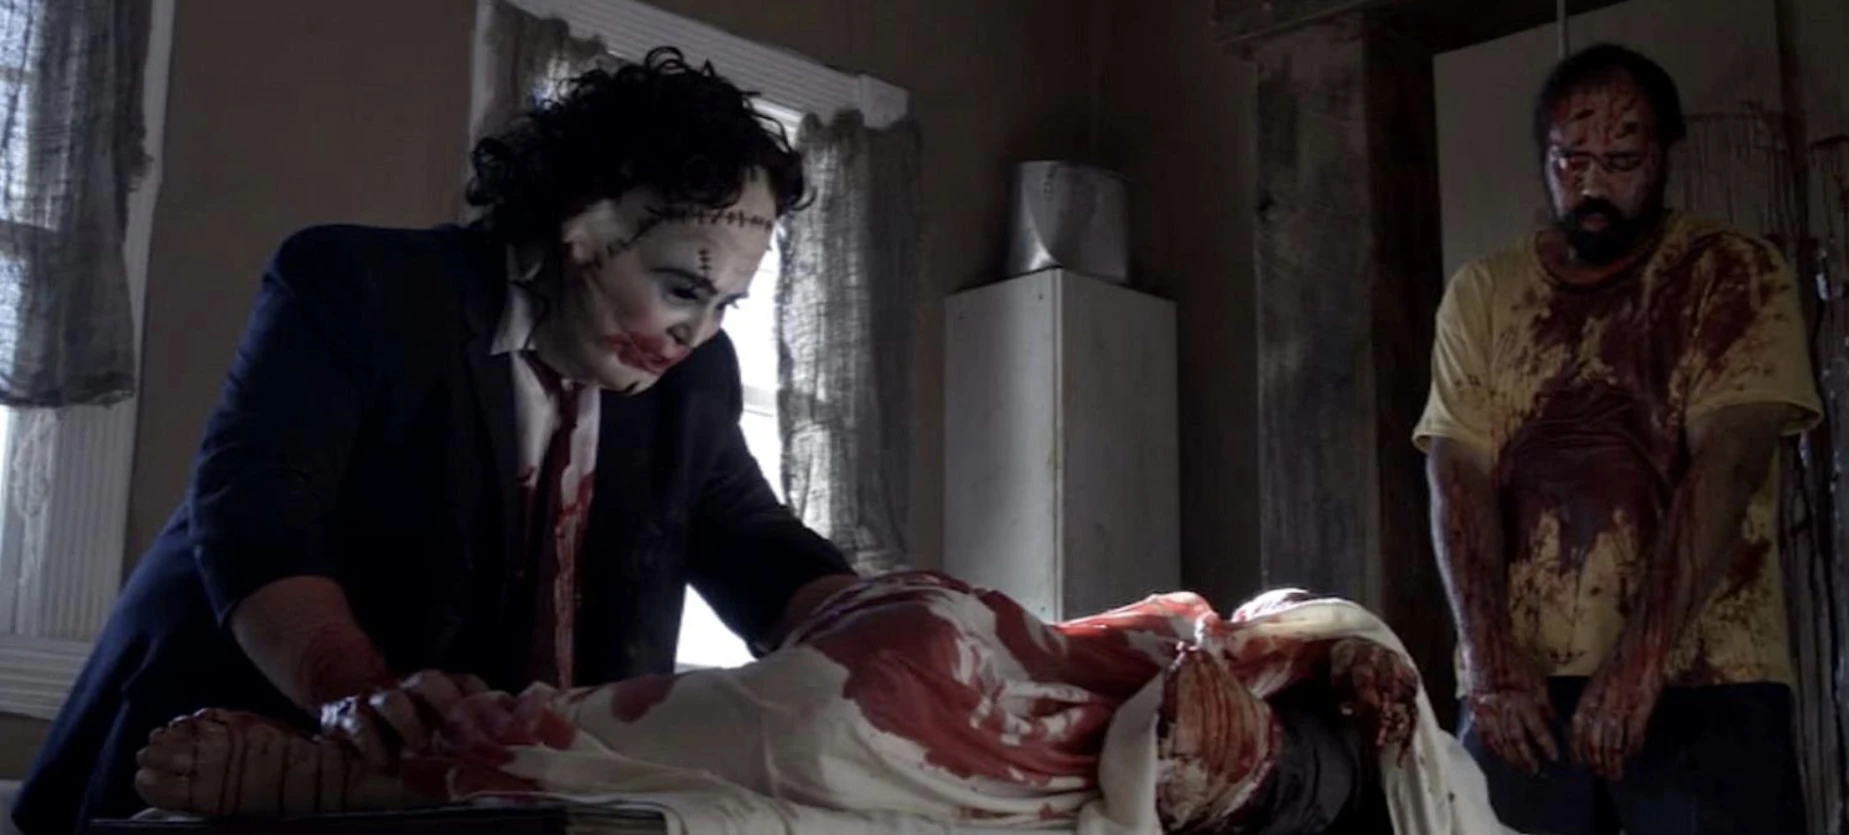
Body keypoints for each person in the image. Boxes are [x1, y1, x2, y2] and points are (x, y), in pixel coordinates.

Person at [14, 49, 862, 835]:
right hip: (217, 747)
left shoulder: (692, 377)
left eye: (724, 305)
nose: (695, 332)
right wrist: (354, 690)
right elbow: (260, 514)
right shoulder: (363, 287)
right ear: (579, 225)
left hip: (461, 797)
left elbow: (747, 538)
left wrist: (891, 626)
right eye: (680, 287)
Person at [128, 571, 1421, 834]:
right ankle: (389, 757)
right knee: (817, 715)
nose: (700, 326)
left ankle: (414, 769)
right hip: (1004, 666)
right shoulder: (366, 288)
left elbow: (765, 549)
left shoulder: (1362, 779)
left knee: (778, 757)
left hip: (993, 725)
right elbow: (1281, 627)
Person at [1415, 44, 1821, 835]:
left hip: (1705, 669)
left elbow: (1728, 460)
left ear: (1663, 155)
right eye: (1570, 161)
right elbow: (1456, 469)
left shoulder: (1730, 271)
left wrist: (1640, 660)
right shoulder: (1483, 292)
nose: (1592, 186)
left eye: (1622, 161)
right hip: (1520, 687)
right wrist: (1488, 656)